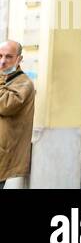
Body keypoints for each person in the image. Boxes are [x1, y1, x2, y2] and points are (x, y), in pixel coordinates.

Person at [0, 40, 35, 189]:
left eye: (8, 57)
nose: (2, 61)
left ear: (19, 59)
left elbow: (5, 106)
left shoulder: (24, 83)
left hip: (4, 153)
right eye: (0, 56)